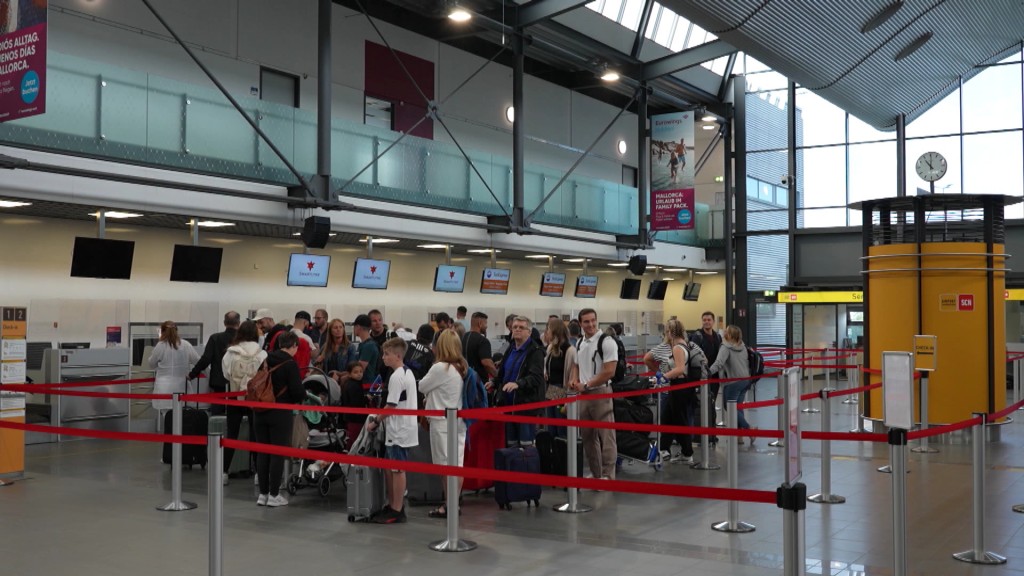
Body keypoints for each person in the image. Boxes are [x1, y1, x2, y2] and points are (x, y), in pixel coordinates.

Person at [417, 329, 468, 518]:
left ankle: (450, 505)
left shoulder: (440, 368)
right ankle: (452, 504)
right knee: (457, 465)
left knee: (445, 467)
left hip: (441, 423)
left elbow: (422, 386)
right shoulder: (462, 366)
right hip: (458, 422)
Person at [366, 337, 417, 524]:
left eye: (386, 354)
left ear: (397, 355)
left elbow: (391, 405)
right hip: (402, 427)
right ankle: (394, 505)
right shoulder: (407, 372)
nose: (384, 357)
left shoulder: (397, 376)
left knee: (397, 469)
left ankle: (397, 508)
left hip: (399, 429)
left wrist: (376, 421)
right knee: (392, 467)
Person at [253, 331, 305, 507]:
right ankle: (274, 494)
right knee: (276, 453)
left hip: (260, 411)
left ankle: (263, 494)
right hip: (279, 413)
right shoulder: (290, 364)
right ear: (294, 346)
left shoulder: (265, 358)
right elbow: (297, 392)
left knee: (263, 452)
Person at [569, 308, 617, 481]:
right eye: (586, 322)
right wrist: (574, 380)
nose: (590, 324)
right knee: (588, 436)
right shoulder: (580, 342)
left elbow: (609, 371)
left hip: (600, 392)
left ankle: (608, 475)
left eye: (593, 320)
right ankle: (597, 474)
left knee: (607, 436)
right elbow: (576, 364)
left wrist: (587, 384)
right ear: (580, 324)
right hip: (583, 395)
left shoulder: (607, 341)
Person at [220, 320, 266, 485]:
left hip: (234, 395)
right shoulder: (261, 353)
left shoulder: (231, 352)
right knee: (256, 435)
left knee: (232, 434)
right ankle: (258, 474)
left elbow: (226, 374)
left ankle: (224, 472)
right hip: (255, 397)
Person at [643, 319, 694, 463]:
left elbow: (679, 368)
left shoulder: (677, 347)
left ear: (670, 332)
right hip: (680, 386)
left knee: (679, 421)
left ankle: (686, 453)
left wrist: (663, 376)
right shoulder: (684, 344)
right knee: (668, 419)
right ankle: (663, 449)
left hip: (678, 385)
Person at [494, 316, 545, 446]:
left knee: (525, 446)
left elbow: (536, 378)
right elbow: (504, 371)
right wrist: (495, 382)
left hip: (525, 407)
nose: (517, 330)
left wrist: (518, 384)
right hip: (508, 406)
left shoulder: (535, 351)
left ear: (529, 331)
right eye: (515, 327)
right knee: (511, 445)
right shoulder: (511, 348)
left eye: (521, 328)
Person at [707, 325, 755, 444]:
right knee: (738, 408)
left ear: (729, 335)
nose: (723, 332)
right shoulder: (742, 345)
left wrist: (707, 373)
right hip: (745, 380)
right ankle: (739, 437)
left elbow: (718, 363)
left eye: (726, 331)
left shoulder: (725, 347)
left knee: (729, 407)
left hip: (733, 382)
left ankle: (749, 429)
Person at [188, 311, 240, 416]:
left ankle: (216, 432)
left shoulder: (215, 338)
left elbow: (206, 359)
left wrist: (192, 374)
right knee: (236, 413)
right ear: (238, 323)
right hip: (239, 383)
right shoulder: (243, 339)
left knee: (217, 413)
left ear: (224, 323)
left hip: (218, 381)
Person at [149, 321, 200, 422]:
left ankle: (170, 437)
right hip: (182, 387)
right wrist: (193, 374)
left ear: (162, 331)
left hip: (164, 388)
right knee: (183, 419)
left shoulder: (160, 346)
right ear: (177, 331)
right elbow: (198, 362)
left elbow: (151, 364)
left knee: (168, 418)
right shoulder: (186, 345)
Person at [690, 311, 723, 437]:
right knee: (702, 404)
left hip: (715, 376)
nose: (706, 322)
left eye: (709, 320)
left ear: (713, 321)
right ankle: (701, 433)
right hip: (702, 376)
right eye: (704, 320)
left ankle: (711, 432)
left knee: (712, 402)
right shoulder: (697, 336)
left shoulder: (718, 337)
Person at [543, 317, 576, 439]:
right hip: (551, 388)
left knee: (561, 428)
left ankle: (564, 455)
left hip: (561, 390)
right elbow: (546, 365)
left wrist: (568, 398)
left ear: (555, 331)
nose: (546, 333)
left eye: (548, 330)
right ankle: (553, 454)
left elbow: (572, 375)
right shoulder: (550, 348)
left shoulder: (570, 350)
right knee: (551, 427)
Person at [462, 311, 497, 383]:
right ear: (480, 323)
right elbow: (487, 363)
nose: (486, 326)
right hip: (478, 382)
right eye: (485, 323)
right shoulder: (483, 341)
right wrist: (498, 376)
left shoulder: (463, 337)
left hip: (463, 379)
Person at [352, 314, 380, 387]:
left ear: (358, 327)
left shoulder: (368, 346)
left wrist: (344, 376)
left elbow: (359, 370)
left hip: (367, 385)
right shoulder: (365, 344)